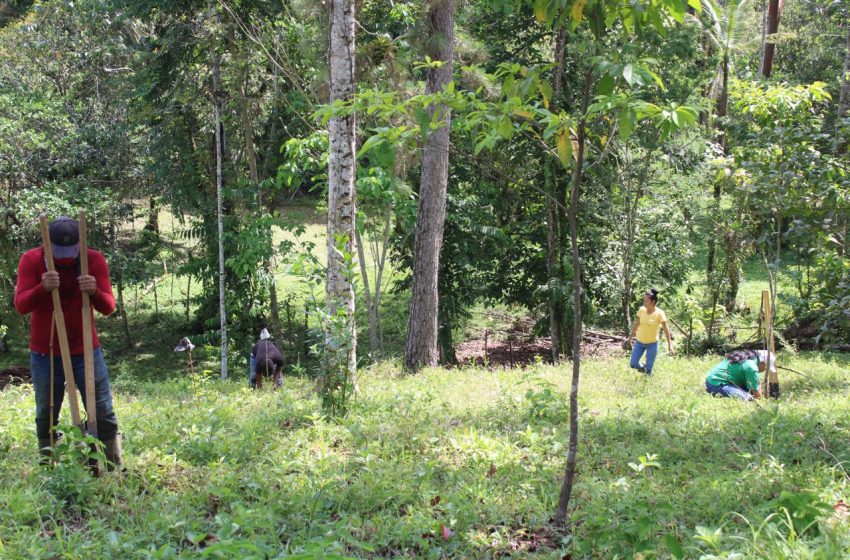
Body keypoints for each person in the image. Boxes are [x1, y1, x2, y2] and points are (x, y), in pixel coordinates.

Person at [14, 216, 122, 467]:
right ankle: (50, 466)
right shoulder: (31, 260)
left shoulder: (92, 260)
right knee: (46, 412)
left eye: (70, 251)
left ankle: (110, 465)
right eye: (58, 251)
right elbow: (21, 305)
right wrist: (42, 287)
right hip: (45, 352)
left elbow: (109, 307)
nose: (65, 257)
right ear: (47, 245)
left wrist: (94, 290)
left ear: (80, 244)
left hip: (86, 349)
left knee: (102, 409)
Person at [629, 288, 674, 375]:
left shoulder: (659, 313)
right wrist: (630, 338)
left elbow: (666, 330)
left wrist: (670, 345)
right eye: (644, 300)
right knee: (633, 363)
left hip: (652, 344)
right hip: (639, 342)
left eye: (646, 301)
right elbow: (636, 324)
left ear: (653, 302)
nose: (644, 303)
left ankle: (647, 380)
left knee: (649, 370)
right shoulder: (641, 310)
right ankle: (643, 368)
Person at [704, 350, 776, 401]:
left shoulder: (747, 358)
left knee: (747, 391)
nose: (765, 370)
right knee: (749, 399)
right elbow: (757, 394)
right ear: (762, 362)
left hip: (711, 380)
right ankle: (714, 391)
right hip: (717, 383)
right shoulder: (752, 367)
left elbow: (754, 385)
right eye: (766, 367)